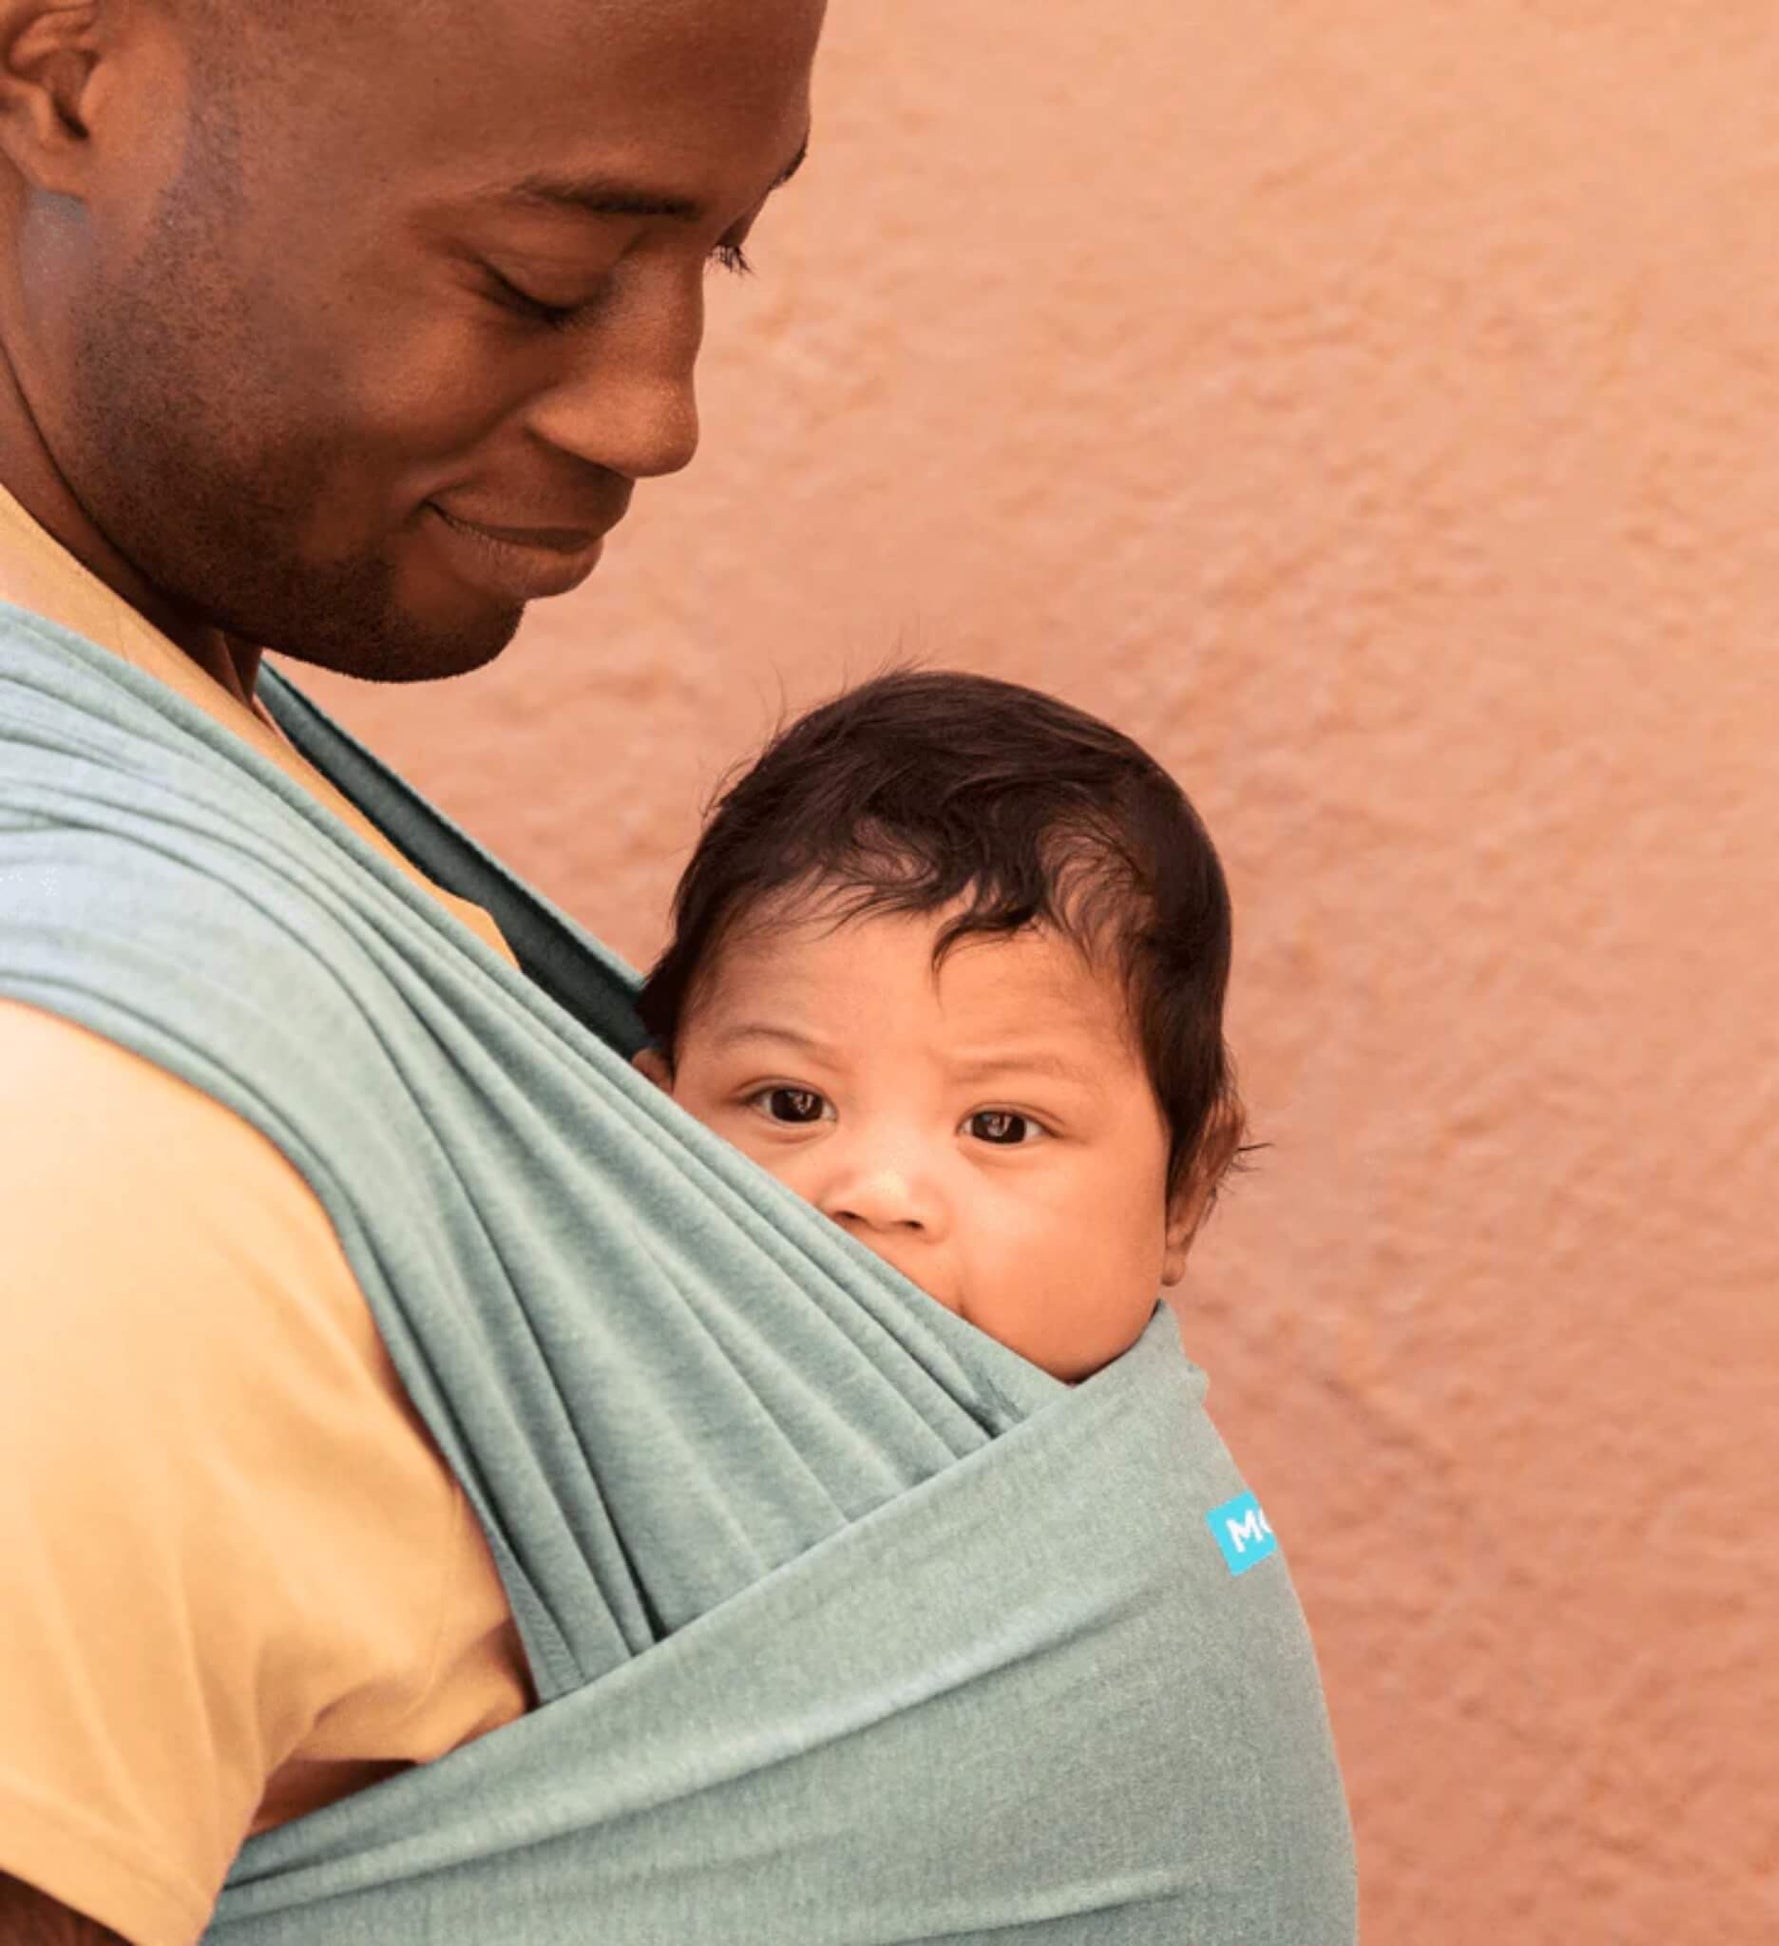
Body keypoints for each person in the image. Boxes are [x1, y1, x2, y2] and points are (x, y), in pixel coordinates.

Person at [0, 0, 823, 1939]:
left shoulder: (182, 766)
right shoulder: (87, 1133)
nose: (659, 411)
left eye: (716, 253)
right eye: (539, 278)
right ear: (64, 83)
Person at [633, 668, 1246, 1383]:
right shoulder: (575, 1409)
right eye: (793, 1105)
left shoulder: (1191, 1495)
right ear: (653, 1127)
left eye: (1001, 1126)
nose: (879, 1196)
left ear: (1184, 1193)